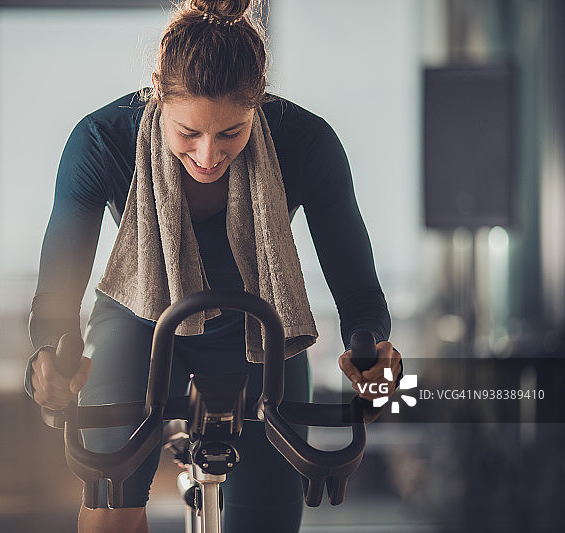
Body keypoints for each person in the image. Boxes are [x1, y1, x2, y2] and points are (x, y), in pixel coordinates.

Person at [26, 1, 403, 531]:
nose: (208, 154)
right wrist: (51, 354)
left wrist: (370, 346)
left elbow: (357, 289)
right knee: (110, 511)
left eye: (231, 133)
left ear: (260, 103)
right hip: (138, 324)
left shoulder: (308, 142)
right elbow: (58, 296)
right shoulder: (101, 142)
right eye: (188, 134)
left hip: (260, 332)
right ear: (158, 89)